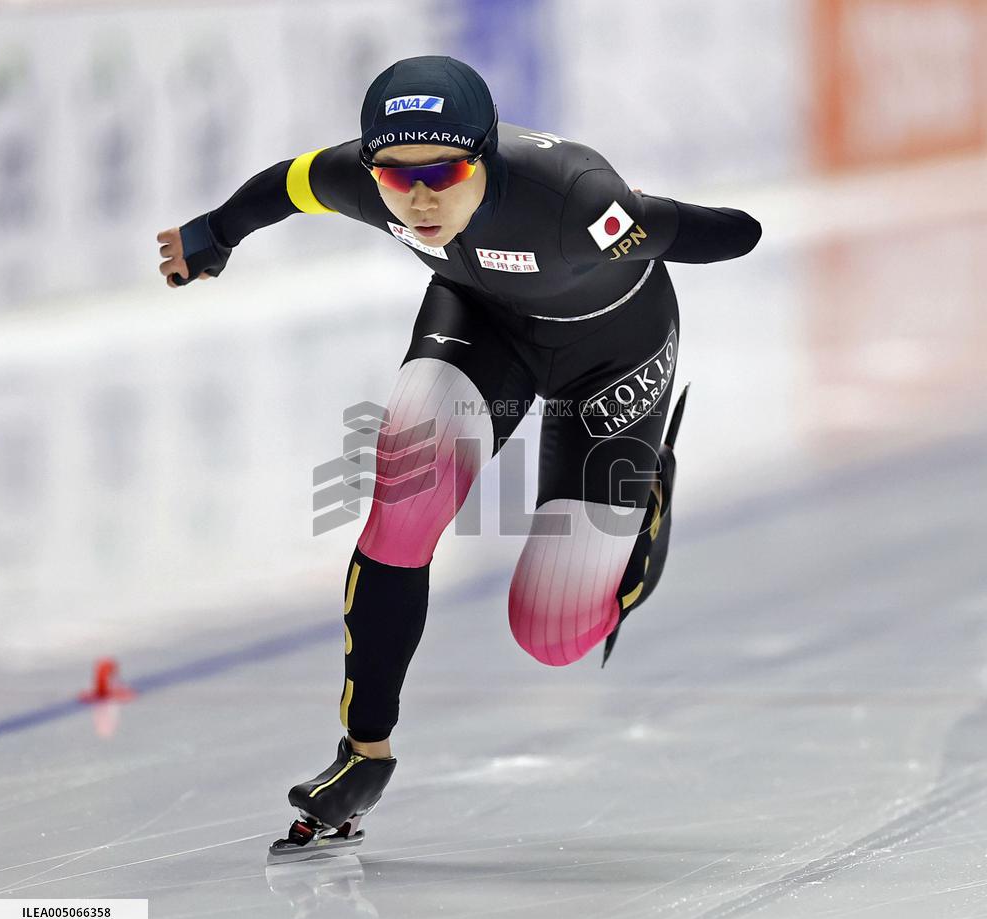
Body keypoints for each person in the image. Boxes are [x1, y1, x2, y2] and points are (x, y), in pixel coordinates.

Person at [157, 55, 761, 860]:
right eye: (396, 177)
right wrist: (214, 235)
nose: (420, 196)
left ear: (487, 153)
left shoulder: (576, 201)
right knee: (403, 492)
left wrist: (655, 224)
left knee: (550, 632)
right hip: (485, 327)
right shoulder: (367, 181)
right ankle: (363, 753)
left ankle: (645, 502)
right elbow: (287, 185)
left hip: (613, 357)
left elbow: (732, 232)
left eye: (444, 170)